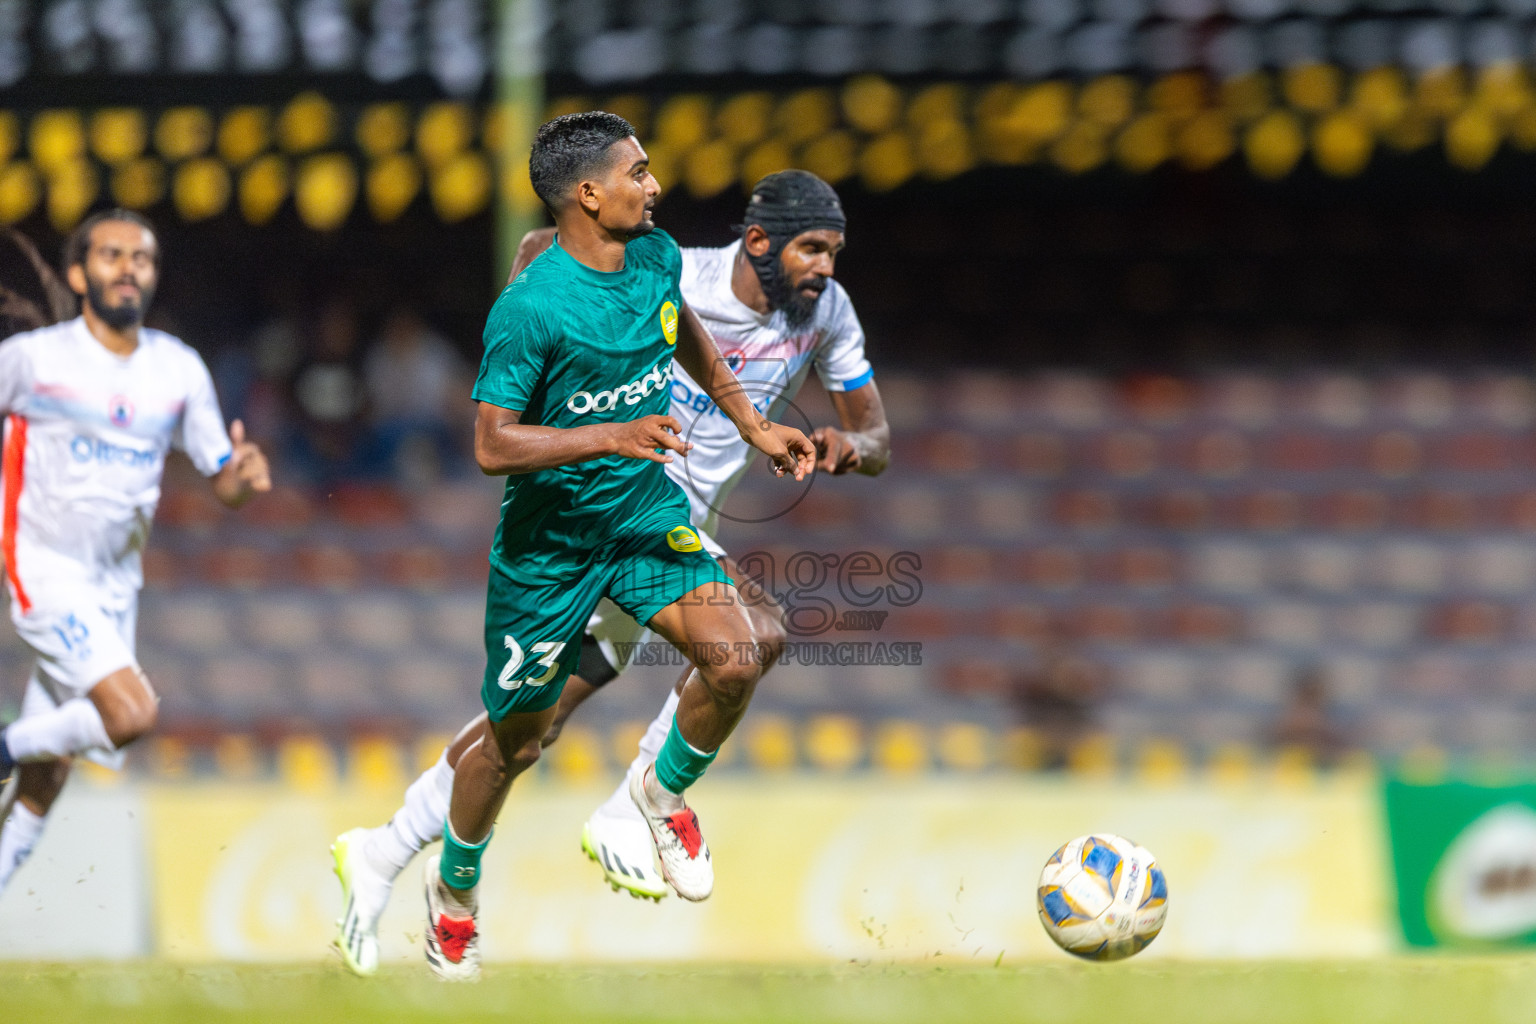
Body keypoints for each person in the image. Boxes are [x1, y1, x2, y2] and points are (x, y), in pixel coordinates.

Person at [331, 167, 889, 977]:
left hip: (665, 527)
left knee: (541, 726)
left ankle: (387, 853)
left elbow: (876, 437)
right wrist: (551, 343)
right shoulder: (677, 267)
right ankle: (635, 806)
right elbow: (537, 249)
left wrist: (847, 447)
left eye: (833, 252)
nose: (824, 268)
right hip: (608, 506)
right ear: (758, 241)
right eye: (811, 248)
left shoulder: (828, 315)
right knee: (563, 716)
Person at [0, 209, 271, 894]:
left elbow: (222, 476)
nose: (128, 268)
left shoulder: (177, 370)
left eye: (142, 258)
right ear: (76, 273)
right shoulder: (33, 360)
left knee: (51, 765)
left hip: (115, 586)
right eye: (111, 255)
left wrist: (240, 477)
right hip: (43, 566)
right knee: (131, 714)